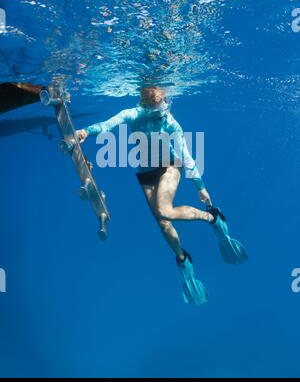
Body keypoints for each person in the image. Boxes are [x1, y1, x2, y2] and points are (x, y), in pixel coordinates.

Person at [76, 86, 247, 305]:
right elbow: (109, 124)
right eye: (157, 109)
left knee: (164, 209)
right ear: (146, 106)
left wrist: (199, 186)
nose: (162, 112)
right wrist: (86, 132)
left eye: (165, 106)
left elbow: (185, 153)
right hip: (145, 174)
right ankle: (183, 260)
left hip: (169, 165)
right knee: (163, 223)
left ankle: (213, 218)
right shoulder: (133, 114)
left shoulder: (170, 121)